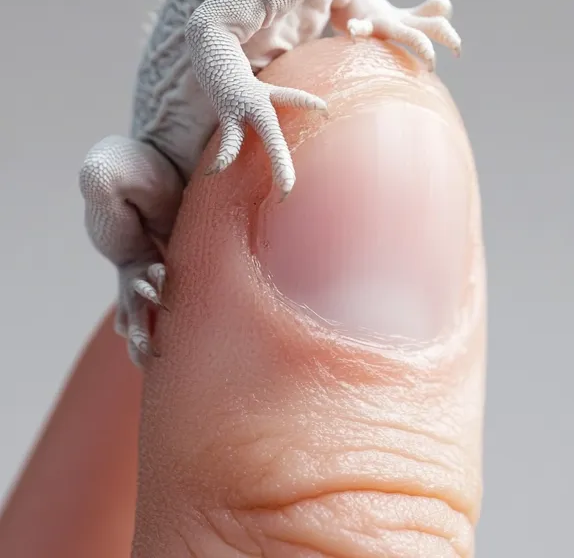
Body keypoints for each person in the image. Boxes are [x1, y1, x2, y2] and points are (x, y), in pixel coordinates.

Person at [0, 36, 485, 557]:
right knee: (104, 170)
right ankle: (131, 265)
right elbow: (209, 26)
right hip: (166, 173)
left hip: (217, 202)